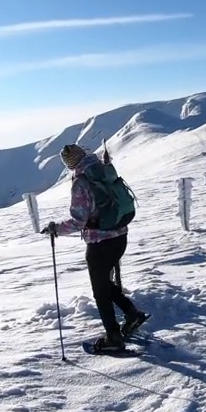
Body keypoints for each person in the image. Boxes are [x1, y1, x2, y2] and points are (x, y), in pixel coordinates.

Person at [42, 144, 148, 353]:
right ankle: (131, 313)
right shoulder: (103, 169)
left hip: (100, 243)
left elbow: (78, 221)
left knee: (100, 291)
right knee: (104, 284)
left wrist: (56, 228)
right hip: (120, 235)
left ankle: (113, 338)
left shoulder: (81, 182)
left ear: (69, 164)